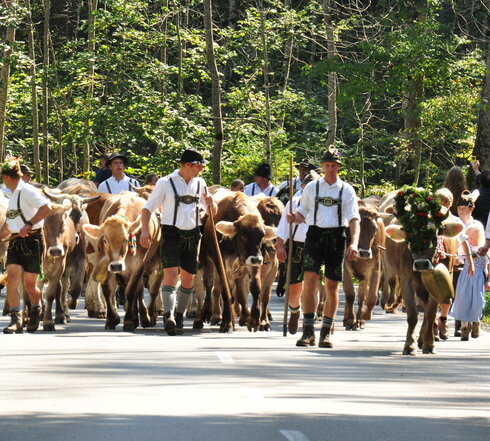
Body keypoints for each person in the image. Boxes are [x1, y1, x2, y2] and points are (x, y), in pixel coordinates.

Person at [287, 146, 360, 348]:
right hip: (315, 235)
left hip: (337, 236)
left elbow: (354, 219)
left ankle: (326, 332)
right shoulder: (312, 188)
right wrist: (295, 218)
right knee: (310, 281)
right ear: (322, 166)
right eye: (327, 165)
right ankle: (308, 331)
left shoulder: (347, 190)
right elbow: (303, 212)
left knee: (331, 285)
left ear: (339, 167)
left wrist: (353, 242)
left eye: (333, 165)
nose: (330, 169)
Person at [139, 148, 217, 336]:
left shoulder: (201, 183)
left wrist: (211, 203)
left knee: (189, 278)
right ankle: (168, 316)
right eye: (199, 166)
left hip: (193, 234)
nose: (201, 170)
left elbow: (211, 213)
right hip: (171, 233)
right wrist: (144, 230)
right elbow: (147, 207)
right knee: (171, 274)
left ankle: (179, 315)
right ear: (187, 165)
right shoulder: (166, 182)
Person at [0, 158, 52, 334]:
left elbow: (47, 208)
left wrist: (29, 224)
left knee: (30, 285)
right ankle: (16, 320)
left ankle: (36, 308)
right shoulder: (12, 194)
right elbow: (10, 219)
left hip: (33, 240)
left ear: (7, 177)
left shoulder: (28, 190)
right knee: (12, 280)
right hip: (15, 241)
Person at [276, 170, 319, 334]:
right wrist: (280, 246)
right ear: (303, 187)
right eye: (308, 186)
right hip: (296, 248)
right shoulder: (293, 203)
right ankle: (295, 311)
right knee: (294, 290)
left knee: (313, 287)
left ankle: (310, 321)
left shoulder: (323, 204)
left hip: (316, 247)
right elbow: (282, 229)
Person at [450, 224, 487, 340]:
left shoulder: (484, 248)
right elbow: (458, 260)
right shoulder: (465, 248)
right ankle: (464, 328)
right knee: (463, 301)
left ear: (479, 237)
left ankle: (476, 322)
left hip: (478, 278)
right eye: (468, 237)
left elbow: (488, 265)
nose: (469, 240)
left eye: (471, 237)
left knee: (478, 302)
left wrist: (488, 278)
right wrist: (454, 260)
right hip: (465, 277)